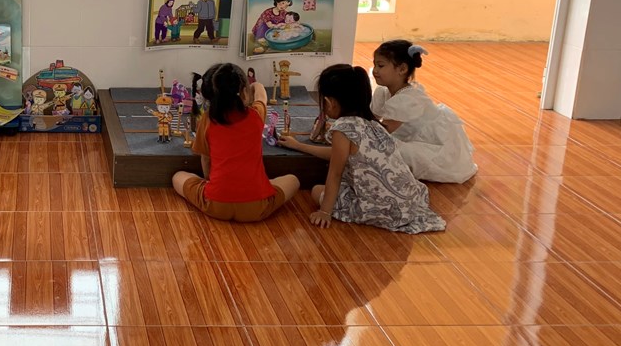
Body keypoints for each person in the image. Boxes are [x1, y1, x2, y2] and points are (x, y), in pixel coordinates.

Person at [278, 64, 445, 234]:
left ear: (329, 102)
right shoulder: (374, 124)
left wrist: (325, 212)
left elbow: (335, 174)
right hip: (409, 201)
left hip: (383, 209)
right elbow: (338, 154)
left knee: (317, 191)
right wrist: (299, 146)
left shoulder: (343, 129)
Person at [172, 63, 300, 222]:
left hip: (216, 204)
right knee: (293, 180)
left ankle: (222, 188)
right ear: (244, 92)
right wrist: (253, 85)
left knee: (178, 177)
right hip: (256, 207)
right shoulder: (256, 115)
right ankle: (265, 185)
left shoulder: (208, 119)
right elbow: (261, 94)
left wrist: (209, 181)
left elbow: (205, 159)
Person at [371, 40, 477, 183]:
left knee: (385, 149)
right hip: (407, 136)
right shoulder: (382, 91)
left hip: (429, 144)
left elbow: (383, 131)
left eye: (380, 65)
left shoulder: (407, 99)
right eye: (374, 65)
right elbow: (372, 119)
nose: (375, 70)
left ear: (402, 69)